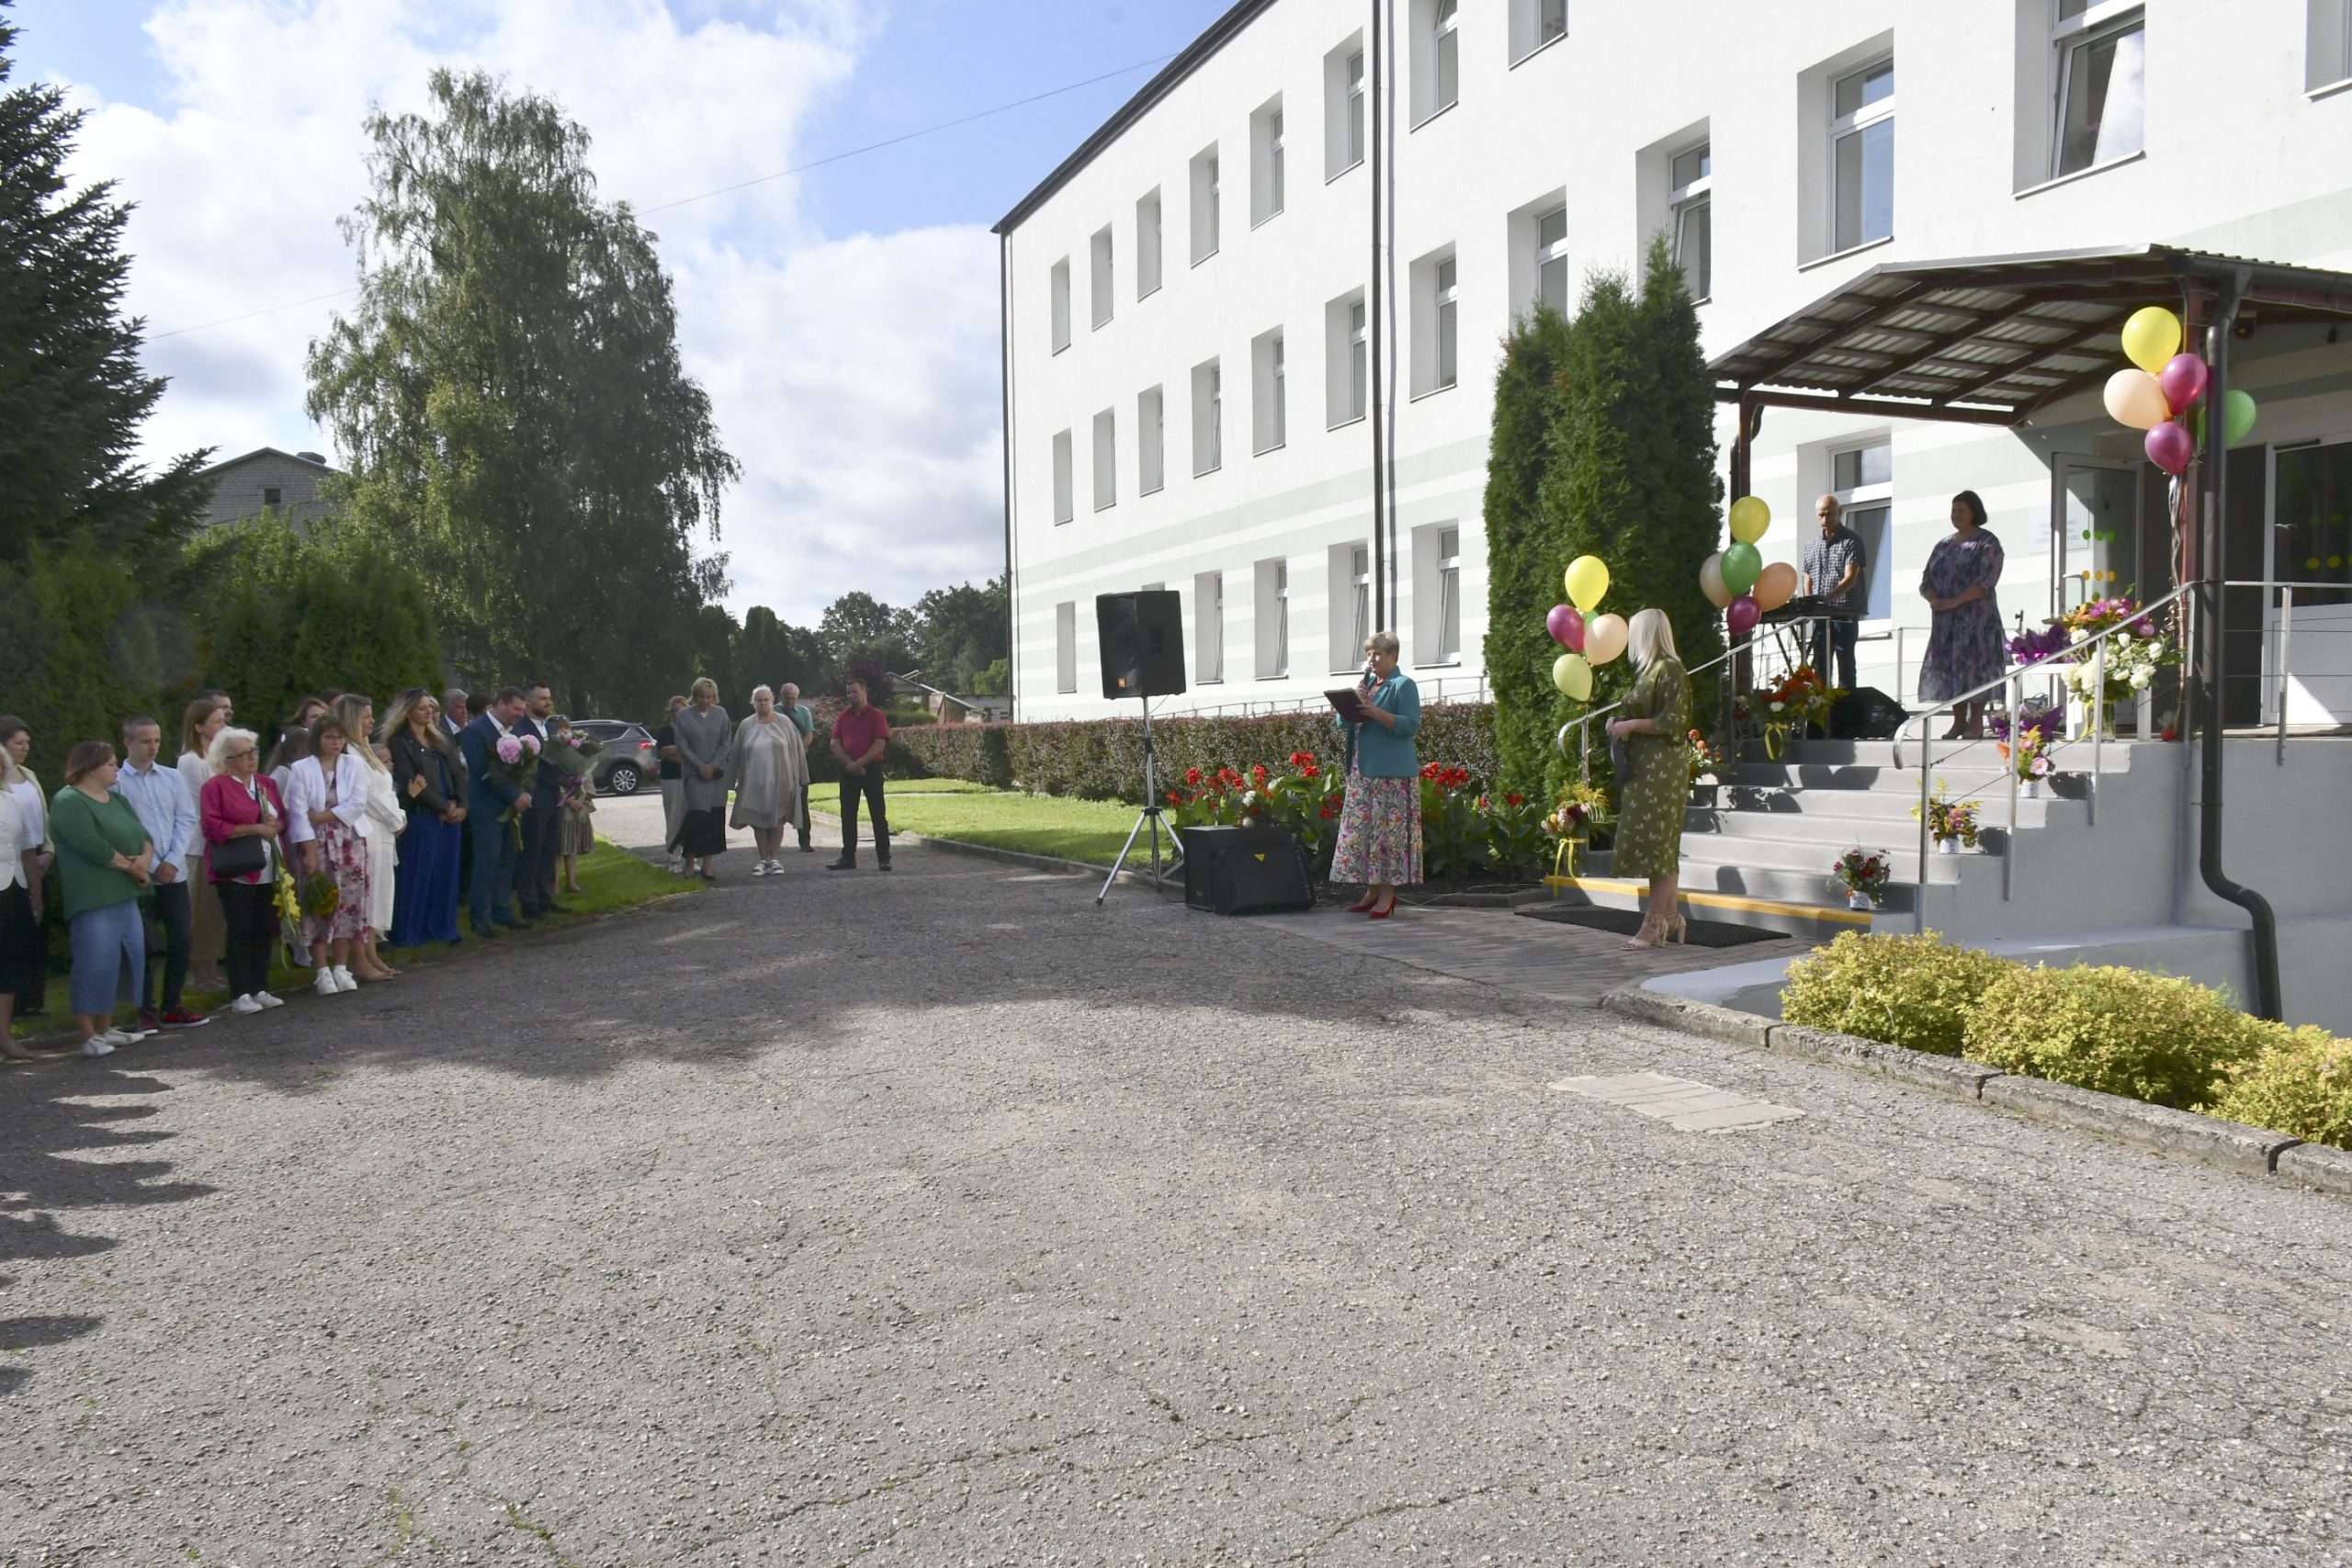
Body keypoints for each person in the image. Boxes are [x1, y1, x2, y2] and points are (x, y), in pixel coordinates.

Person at [50, 741, 155, 1055]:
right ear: (91, 768)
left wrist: (144, 861)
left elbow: (144, 837)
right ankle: (88, 1036)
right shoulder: (69, 800)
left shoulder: (118, 800)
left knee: (121, 960)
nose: (117, 769)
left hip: (125, 894)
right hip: (93, 897)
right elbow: (90, 845)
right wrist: (133, 868)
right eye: (110, 764)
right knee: (94, 962)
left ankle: (106, 1028)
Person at [1606, 609, 1694, 950]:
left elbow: (1676, 721)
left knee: (1659, 844)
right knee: (1654, 842)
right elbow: (1644, 713)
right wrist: (1620, 721)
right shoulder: (1652, 669)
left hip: (1662, 769)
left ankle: (1654, 923)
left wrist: (1631, 725)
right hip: (1645, 767)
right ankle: (1669, 917)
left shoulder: (1670, 668)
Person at [116, 716, 207, 1031]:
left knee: (182, 937)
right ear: (127, 743)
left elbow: (186, 818)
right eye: (145, 741)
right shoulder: (117, 783)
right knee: (143, 943)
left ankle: (172, 1004)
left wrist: (173, 860)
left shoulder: (171, 776)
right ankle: (144, 1008)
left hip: (173, 870)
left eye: (156, 740)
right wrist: (154, 865)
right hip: (139, 873)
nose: (152, 746)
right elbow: (123, 830)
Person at [1329, 631, 1424, 919]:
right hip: (1362, 771)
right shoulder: (1368, 684)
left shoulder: (1403, 685)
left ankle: (1387, 895)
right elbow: (1343, 723)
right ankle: (1371, 891)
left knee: (1387, 837)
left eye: (1378, 654)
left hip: (1391, 776)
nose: (1372, 659)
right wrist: (1351, 703)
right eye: (1369, 654)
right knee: (1366, 834)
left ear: (1393, 655)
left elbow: (1410, 725)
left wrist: (1374, 712)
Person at [199, 727, 288, 1015]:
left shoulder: (265, 783)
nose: (252, 758)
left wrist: (275, 825)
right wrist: (254, 828)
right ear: (227, 761)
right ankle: (240, 992)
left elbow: (283, 819)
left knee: (264, 927)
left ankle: (260, 986)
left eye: (253, 751)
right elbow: (212, 827)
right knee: (241, 928)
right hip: (236, 869)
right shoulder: (215, 787)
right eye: (244, 754)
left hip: (268, 866)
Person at [284, 713, 372, 995]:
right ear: (317, 739)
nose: (335, 743)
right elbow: (298, 811)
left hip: (349, 841)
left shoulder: (354, 764)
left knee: (348, 903)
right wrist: (309, 849)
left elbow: (357, 803)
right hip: (317, 842)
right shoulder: (302, 768)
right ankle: (321, 970)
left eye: (340, 738)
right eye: (329, 737)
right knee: (320, 902)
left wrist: (322, 816)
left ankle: (341, 967)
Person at [1917, 490, 2007, 739]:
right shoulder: (1943, 545)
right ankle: (1958, 722)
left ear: (1973, 513)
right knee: (1951, 669)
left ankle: (1976, 723)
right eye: (1953, 510)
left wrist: (1955, 601)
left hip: (1977, 621)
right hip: (1946, 622)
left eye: (1961, 511)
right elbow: (1927, 579)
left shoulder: (1987, 543)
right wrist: (1934, 599)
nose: (1955, 515)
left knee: (1976, 669)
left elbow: (1986, 581)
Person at [386, 689, 466, 947]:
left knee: (446, 873)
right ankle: (412, 931)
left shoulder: (440, 738)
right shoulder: (400, 742)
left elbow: (458, 772)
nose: (429, 712)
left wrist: (462, 806)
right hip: (424, 816)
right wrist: (444, 807)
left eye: (430, 707)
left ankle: (443, 927)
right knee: (419, 873)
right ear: (408, 712)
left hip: (451, 814)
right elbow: (412, 782)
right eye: (422, 708)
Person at [332, 694, 403, 981]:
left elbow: (387, 790)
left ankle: (372, 954)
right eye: (366, 716)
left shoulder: (366, 750)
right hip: (367, 831)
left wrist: (399, 816)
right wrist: (396, 819)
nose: (372, 721)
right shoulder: (350, 754)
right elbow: (368, 796)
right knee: (365, 899)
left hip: (383, 829)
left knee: (378, 897)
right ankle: (361, 960)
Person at [460, 686, 532, 932]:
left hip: (511, 808)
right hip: (487, 808)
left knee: (507, 860)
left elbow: (526, 766)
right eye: (516, 709)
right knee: (487, 861)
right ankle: (480, 917)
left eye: (523, 709)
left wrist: (525, 793)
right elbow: (482, 772)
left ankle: (503, 911)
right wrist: (514, 796)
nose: (520, 714)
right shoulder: (475, 731)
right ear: (500, 704)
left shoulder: (516, 730)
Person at [177, 695, 232, 994]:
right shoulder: (190, 761)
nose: (223, 726)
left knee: (213, 913)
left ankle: (212, 970)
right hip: (198, 845)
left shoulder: (218, 757)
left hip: (219, 842)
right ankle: (199, 975)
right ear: (199, 727)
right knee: (197, 912)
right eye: (217, 722)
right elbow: (202, 803)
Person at [0, 716, 51, 1018]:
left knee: (33, 932)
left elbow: (42, 821)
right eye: (18, 743)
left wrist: (49, 851)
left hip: (33, 859)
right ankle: (15, 1006)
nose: (24, 748)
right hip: (10, 868)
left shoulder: (28, 776)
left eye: (27, 743)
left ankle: (32, 1000)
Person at [731, 686, 809, 876]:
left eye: (766, 700)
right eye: (759, 700)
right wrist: (733, 780)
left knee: (778, 819)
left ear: (772, 701)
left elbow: (797, 750)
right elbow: (736, 753)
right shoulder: (746, 725)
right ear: (753, 703)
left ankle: (774, 858)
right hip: (755, 780)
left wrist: (801, 777)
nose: (763, 703)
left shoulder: (784, 722)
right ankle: (762, 859)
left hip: (782, 779)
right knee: (758, 820)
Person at [1802, 493, 1868, 692]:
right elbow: (1808, 580)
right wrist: (1810, 604)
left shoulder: (1852, 540)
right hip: (1820, 617)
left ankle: (1847, 707)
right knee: (1820, 666)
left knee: (1845, 662)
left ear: (1839, 513)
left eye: (1829, 514)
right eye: (1821, 515)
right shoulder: (1811, 546)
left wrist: (1825, 600)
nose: (1825, 519)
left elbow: (1850, 578)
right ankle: (1822, 706)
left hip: (1845, 613)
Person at [827, 680, 894, 873]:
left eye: (855, 692)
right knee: (848, 814)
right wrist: (851, 764)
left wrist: (860, 763)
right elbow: (834, 743)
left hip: (871, 768)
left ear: (864, 691)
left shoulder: (876, 716)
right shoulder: (843, 717)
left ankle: (884, 858)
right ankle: (848, 857)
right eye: (848, 693)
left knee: (877, 814)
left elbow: (880, 744)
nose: (851, 696)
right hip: (849, 770)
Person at [670, 678, 731, 880]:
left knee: (713, 818)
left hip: (716, 775)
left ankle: (707, 864)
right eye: (702, 697)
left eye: (709, 697)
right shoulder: (684, 716)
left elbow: (725, 742)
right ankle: (689, 860)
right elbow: (682, 746)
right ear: (695, 696)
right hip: (694, 775)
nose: (706, 701)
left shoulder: (721, 714)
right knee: (696, 817)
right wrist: (700, 766)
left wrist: (713, 765)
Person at [513, 682, 565, 918]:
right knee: (532, 851)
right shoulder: (520, 729)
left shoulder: (551, 728)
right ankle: (529, 902)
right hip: (535, 796)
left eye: (549, 698)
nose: (548, 702)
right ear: (529, 701)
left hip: (554, 796)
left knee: (549, 849)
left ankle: (546, 897)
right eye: (543, 698)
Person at [0, 757, 40, 1060]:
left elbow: (26, 850)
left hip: (13, 890)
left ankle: (4, 1036)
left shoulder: (12, 802)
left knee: (9, 964)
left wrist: (35, 893)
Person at [553, 716, 595, 894]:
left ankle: (571, 882)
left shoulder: (579, 751)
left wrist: (581, 798)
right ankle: (554, 884)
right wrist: (568, 799)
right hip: (561, 805)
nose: (564, 732)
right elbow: (553, 779)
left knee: (572, 846)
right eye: (560, 729)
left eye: (566, 728)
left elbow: (586, 775)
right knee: (557, 847)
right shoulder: (552, 753)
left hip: (579, 803)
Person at [780, 682, 815, 853]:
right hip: (779, 760)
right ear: (781, 697)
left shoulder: (804, 712)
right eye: (788, 698)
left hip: (800, 759)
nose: (790, 701)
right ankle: (774, 841)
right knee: (777, 800)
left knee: (802, 800)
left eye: (793, 698)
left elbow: (809, 734)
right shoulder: (774, 712)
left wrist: (797, 750)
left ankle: (805, 840)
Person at [654, 695, 688, 874]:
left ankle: (690, 858)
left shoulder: (692, 730)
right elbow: (667, 755)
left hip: (690, 779)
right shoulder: (665, 732)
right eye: (674, 711)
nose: (677, 714)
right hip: (672, 779)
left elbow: (699, 752)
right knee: (674, 819)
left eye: (681, 710)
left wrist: (679, 752)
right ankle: (673, 859)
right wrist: (687, 756)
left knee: (690, 818)